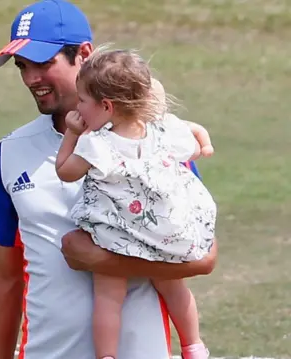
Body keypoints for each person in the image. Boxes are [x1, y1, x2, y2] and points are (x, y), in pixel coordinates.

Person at [0, 1, 218, 359]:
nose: (31, 79)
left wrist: (102, 261)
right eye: (22, 67)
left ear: (84, 55)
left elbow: (202, 257)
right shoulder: (10, 153)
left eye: (43, 64)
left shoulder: (155, 142)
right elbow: (3, 275)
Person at [55, 47, 216, 359]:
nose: (78, 107)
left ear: (106, 106)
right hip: (164, 233)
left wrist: (72, 134)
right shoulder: (162, 130)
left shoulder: (97, 144)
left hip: (116, 238)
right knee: (174, 287)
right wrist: (205, 146)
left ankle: (106, 356)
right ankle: (193, 345)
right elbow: (195, 135)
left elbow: (65, 171)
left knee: (108, 296)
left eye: (83, 101)